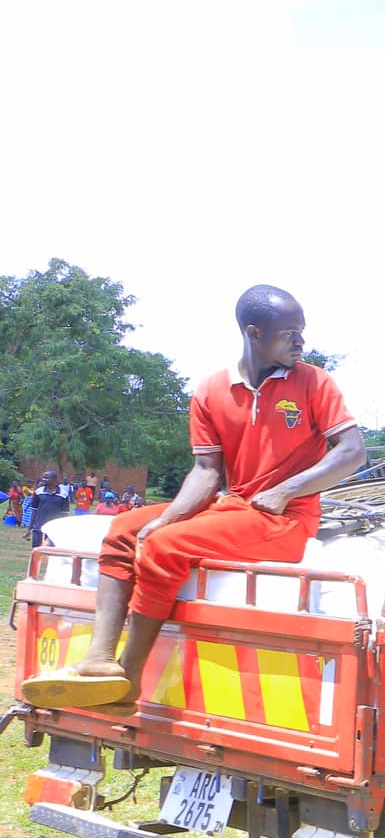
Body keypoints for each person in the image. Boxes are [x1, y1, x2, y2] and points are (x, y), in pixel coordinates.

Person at [20, 285, 365, 710]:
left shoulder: (314, 381)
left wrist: (284, 491)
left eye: (301, 332)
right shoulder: (210, 391)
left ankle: (127, 682)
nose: (300, 342)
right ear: (254, 333)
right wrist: (164, 518)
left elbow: (352, 452)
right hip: (235, 506)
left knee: (165, 548)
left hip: (285, 518)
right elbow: (206, 474)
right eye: (289, 333)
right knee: (124, 529)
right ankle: (99, 660)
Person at [23, 471, 64, 546]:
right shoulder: (38, 492)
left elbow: (64, 514)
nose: (43, 479)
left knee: (50, 552)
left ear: (54, 479)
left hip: (54, 528)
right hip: (38, 527)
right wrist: (29, 529)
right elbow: (34, 511)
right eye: (43, 477)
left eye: (46, 477)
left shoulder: (63, 494)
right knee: (36, 550)